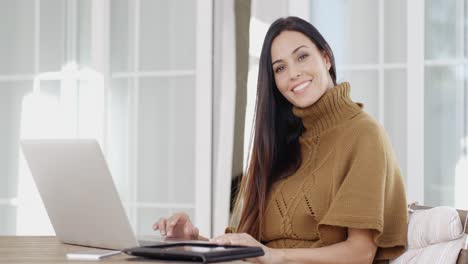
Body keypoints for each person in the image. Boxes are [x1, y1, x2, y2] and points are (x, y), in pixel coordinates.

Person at [153, 16, 408, 264]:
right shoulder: (281, 144)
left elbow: (360, 253)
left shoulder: (363, 134)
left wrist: (276, 256)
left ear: (326, 57)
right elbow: (254, 251)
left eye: (302, 56)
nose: (294, 73)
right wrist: (192, 240)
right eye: (280, 68)